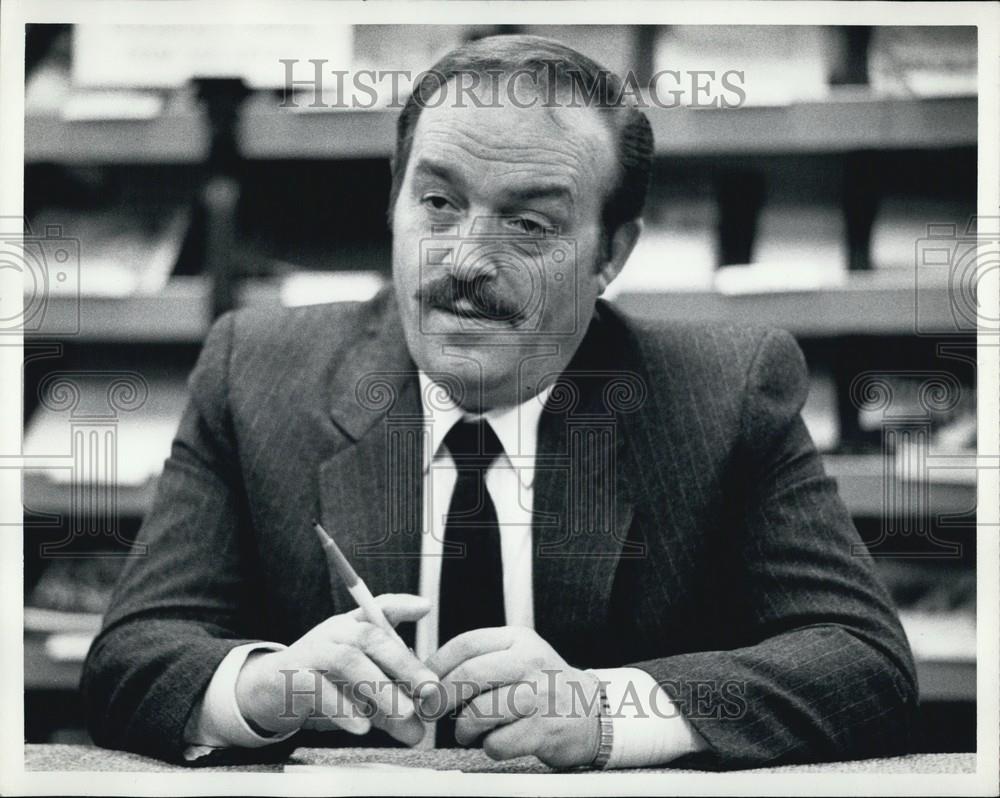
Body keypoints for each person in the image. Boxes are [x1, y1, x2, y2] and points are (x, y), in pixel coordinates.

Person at [82, 35, 917, 770]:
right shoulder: (255, 371)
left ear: (612, 253)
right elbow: (131, 657)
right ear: (395, 204)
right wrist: (267, 687)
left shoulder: (726, 391)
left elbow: (863, 662)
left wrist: (605, 712)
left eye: (528, 225)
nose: (465, 261)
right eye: (439, 203)